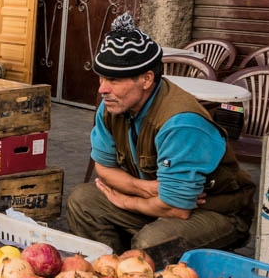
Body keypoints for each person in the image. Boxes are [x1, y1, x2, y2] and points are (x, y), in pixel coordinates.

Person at [65, 13, 256, 255]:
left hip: (216, 213)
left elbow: (177, 209)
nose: (102, 89)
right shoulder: (111, 108)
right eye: (101, 78)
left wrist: (128, 200)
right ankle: (112, 273)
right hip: (159, 202)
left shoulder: (181, 123)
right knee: (83, 201)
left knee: (151, 242)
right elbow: (103, 169)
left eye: (113, 80)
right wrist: (146, 188)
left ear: (146, 79)